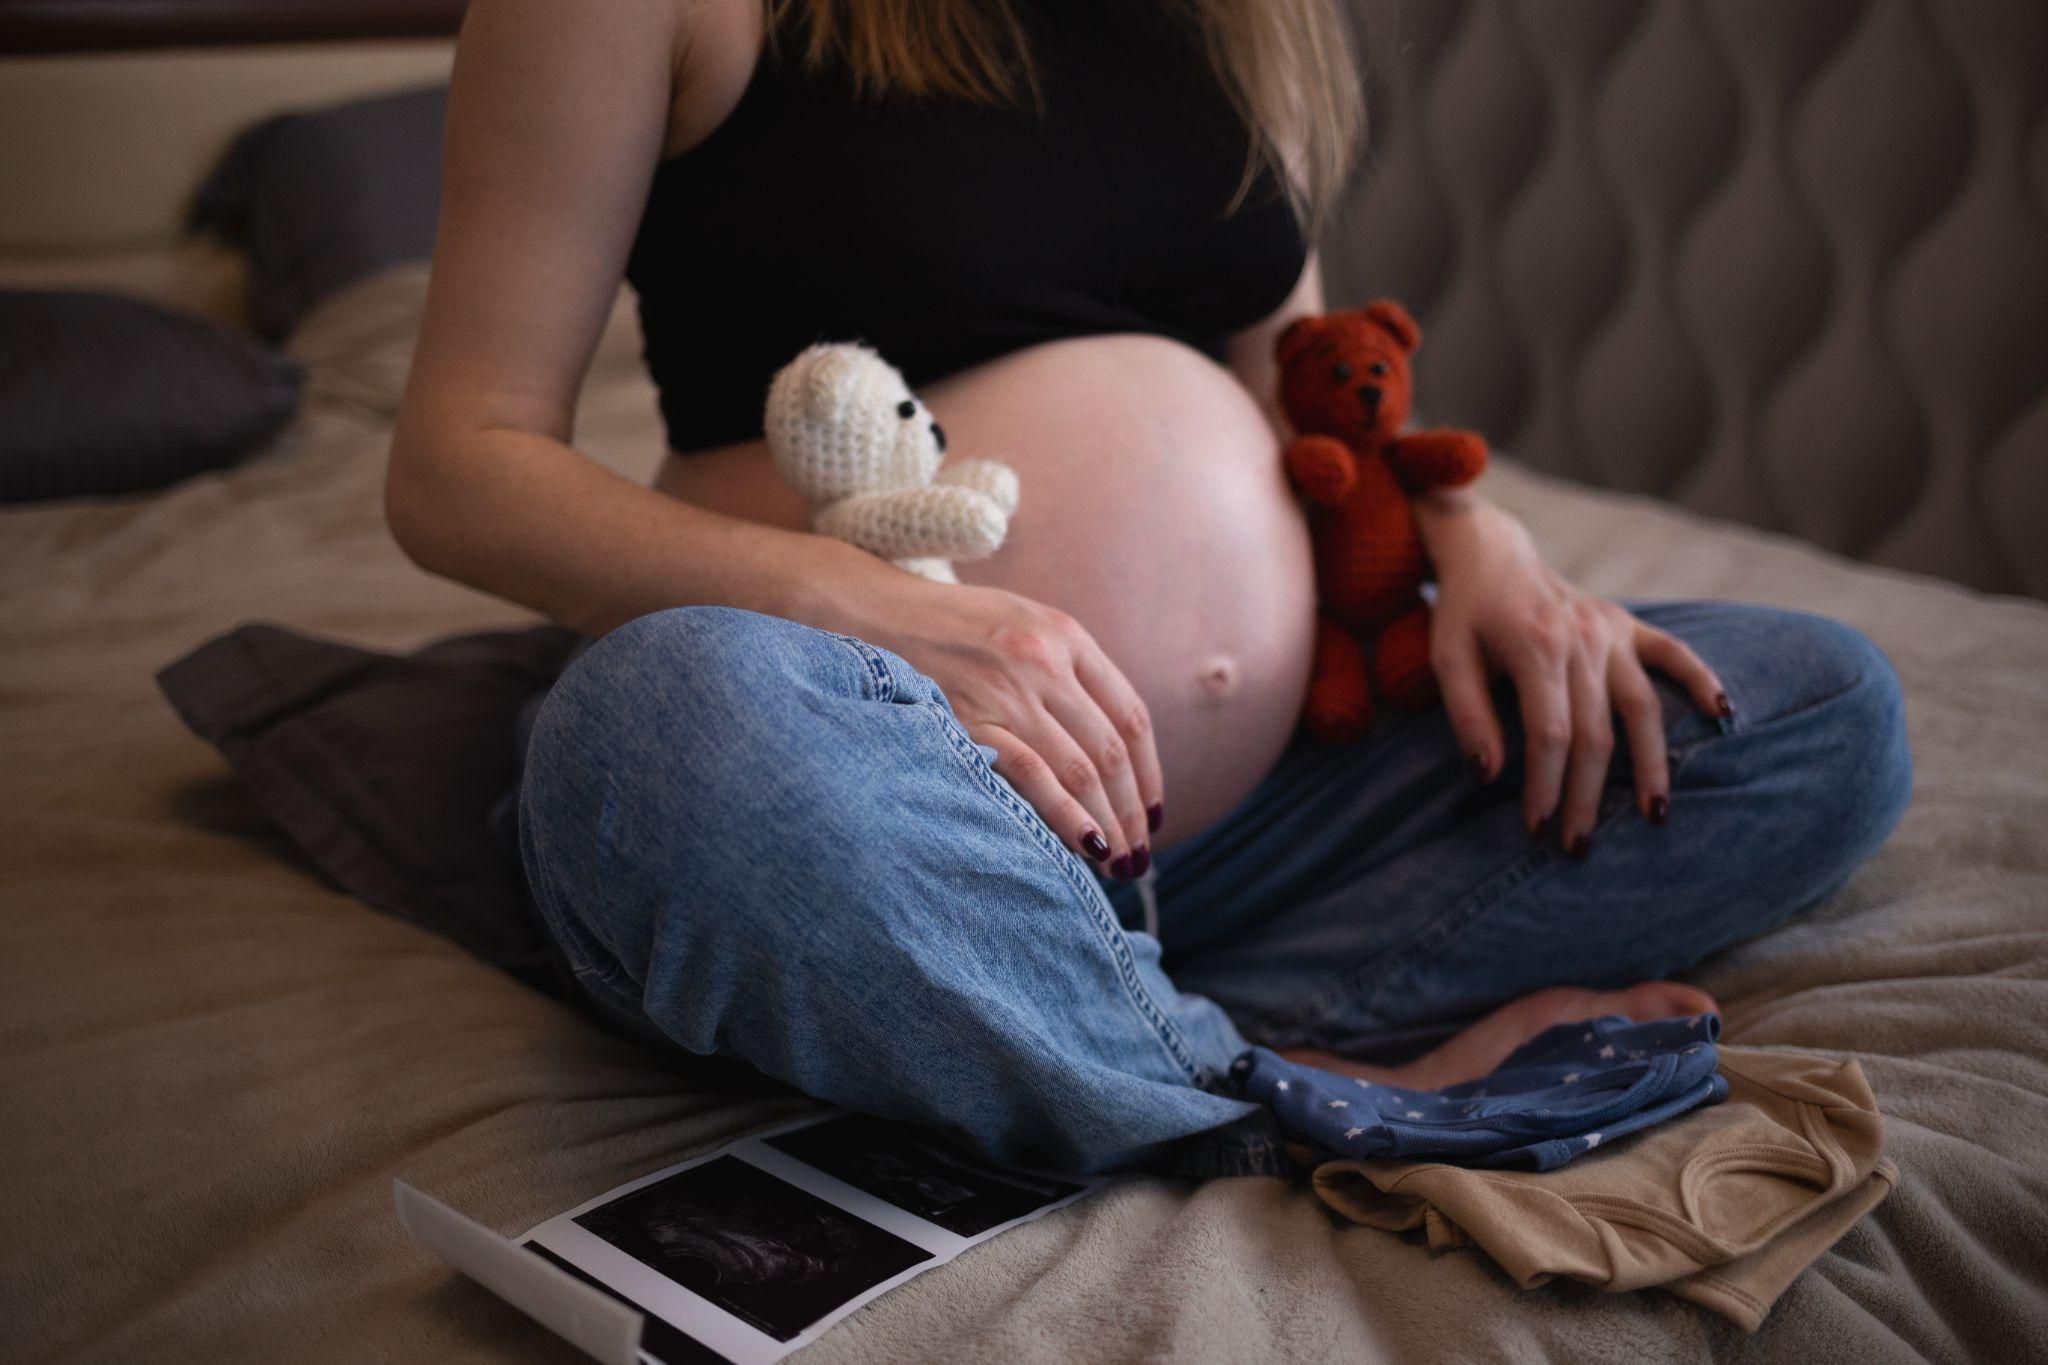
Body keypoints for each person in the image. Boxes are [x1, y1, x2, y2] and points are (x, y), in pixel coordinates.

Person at [387, 0, 1913, 1177]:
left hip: (1245, 838)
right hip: (884, 805)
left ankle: (1126, 1036)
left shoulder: (1236, 10)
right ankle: (1262, 1091)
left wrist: (1478, 541)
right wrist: (854, 604)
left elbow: (1301, 387)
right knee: (664, 730)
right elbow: (460, 467)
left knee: (1818, 708)